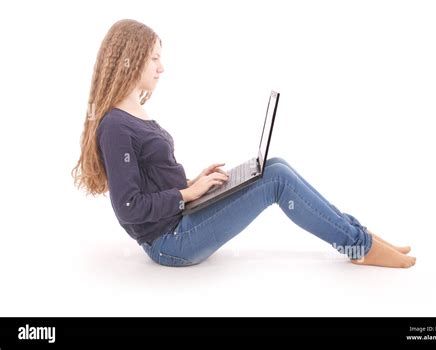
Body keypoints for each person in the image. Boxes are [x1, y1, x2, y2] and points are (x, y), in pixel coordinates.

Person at [72, 19, 416, 269]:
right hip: (170, 242)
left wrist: (191, 183)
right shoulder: (115, 126)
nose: (161, 67)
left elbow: (150, 180)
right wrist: (186, 195)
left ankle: (356, 234)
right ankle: (359, 246)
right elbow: (128, 207)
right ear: (130, 61)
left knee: (274, 164)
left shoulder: (132, 113)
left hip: (181, 220)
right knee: (275, 181)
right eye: (153, 58)